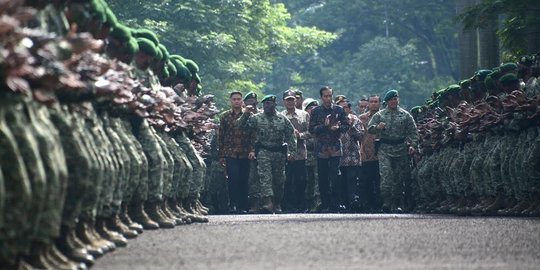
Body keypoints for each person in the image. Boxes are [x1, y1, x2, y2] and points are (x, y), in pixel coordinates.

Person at [238, 94, 296, 213]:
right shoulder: (257, 118)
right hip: (264, 152)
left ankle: (277, 202)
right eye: (264, 104)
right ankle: (268, 203)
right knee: (265, 178)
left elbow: (291, 135)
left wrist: (292, 152)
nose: (266, 106)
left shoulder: (282, 119)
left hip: (279, 153)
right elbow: (240, 126)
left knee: (279, 180)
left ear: (274, 104)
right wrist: (246, 113)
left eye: (269, 104)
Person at [367, 90, 418, 213]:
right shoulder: (380, 115)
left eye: (395, 99)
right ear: (387, 102)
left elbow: (413, 132)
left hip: (400, 149)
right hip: (385, 148)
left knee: (399, 178)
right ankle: (386, 201)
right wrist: (377, 128)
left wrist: (413, 145)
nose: (393, 102)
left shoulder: (405, 115)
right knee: (386, 175)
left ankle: (397, 203)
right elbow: (370, 128)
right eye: (391, 100)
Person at [308, 86, 350, 212]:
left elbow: (346, 125)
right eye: (325, 96)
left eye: (330, 96)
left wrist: (338, 128)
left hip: (335, 147)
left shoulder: (339, 109)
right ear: (321, 97)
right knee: (323, 177)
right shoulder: (316, 111)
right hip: (322, 148)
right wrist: (324, 126)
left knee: (335, 175)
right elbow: (311, 129)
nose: (328, 98)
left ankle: (336, 203)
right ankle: (325, 203)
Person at [218, 91, 256, 214]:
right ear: (230, 101)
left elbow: (252, 134)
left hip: (245, 152)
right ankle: (233, 204)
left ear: (242, 101)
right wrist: (221, 155)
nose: (236, 101)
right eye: (234, 99)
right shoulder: (224, 116)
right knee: (233, 179)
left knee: (244, 179)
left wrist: (252, 149)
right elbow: (221, 136)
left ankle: (243, 205)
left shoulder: (249, 115)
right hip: (230, 152)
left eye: (239, 99)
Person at [281, 90, 310, 212]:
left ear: (296, 100)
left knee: (301, 180)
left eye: (292, 99)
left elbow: (310, 132)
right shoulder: (280, 116)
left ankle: (301, 205)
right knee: (286, 180)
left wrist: (300, 135)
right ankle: (286, 206)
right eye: (288, 100)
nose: (290, 102)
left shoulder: (304, 115)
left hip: (300, 153)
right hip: (284, 153)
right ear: (283, 101)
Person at [336, 99, 364, 212]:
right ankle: (341, 203)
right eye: (340, 108)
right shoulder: (334, 120)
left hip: (352, 157)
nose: (343, 110)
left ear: (349, 108)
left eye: (345, 107)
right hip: (337, 156)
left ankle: (353, 202)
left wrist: (352, 127)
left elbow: (361, 136)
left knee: (352, 181)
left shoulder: (355, 120)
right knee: (339, 181)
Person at [359, 95, 382, 212]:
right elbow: (359, 136)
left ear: (380, 103)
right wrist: (361, 151)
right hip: (366, 153)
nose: (374, 104)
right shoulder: (362, 118)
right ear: (368, 103)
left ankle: (379, 204)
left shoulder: (384, 116)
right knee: (366, 180)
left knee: (379, 180)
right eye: (371, 102)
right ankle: (367, 205)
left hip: (381, 153)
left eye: (376, 101)